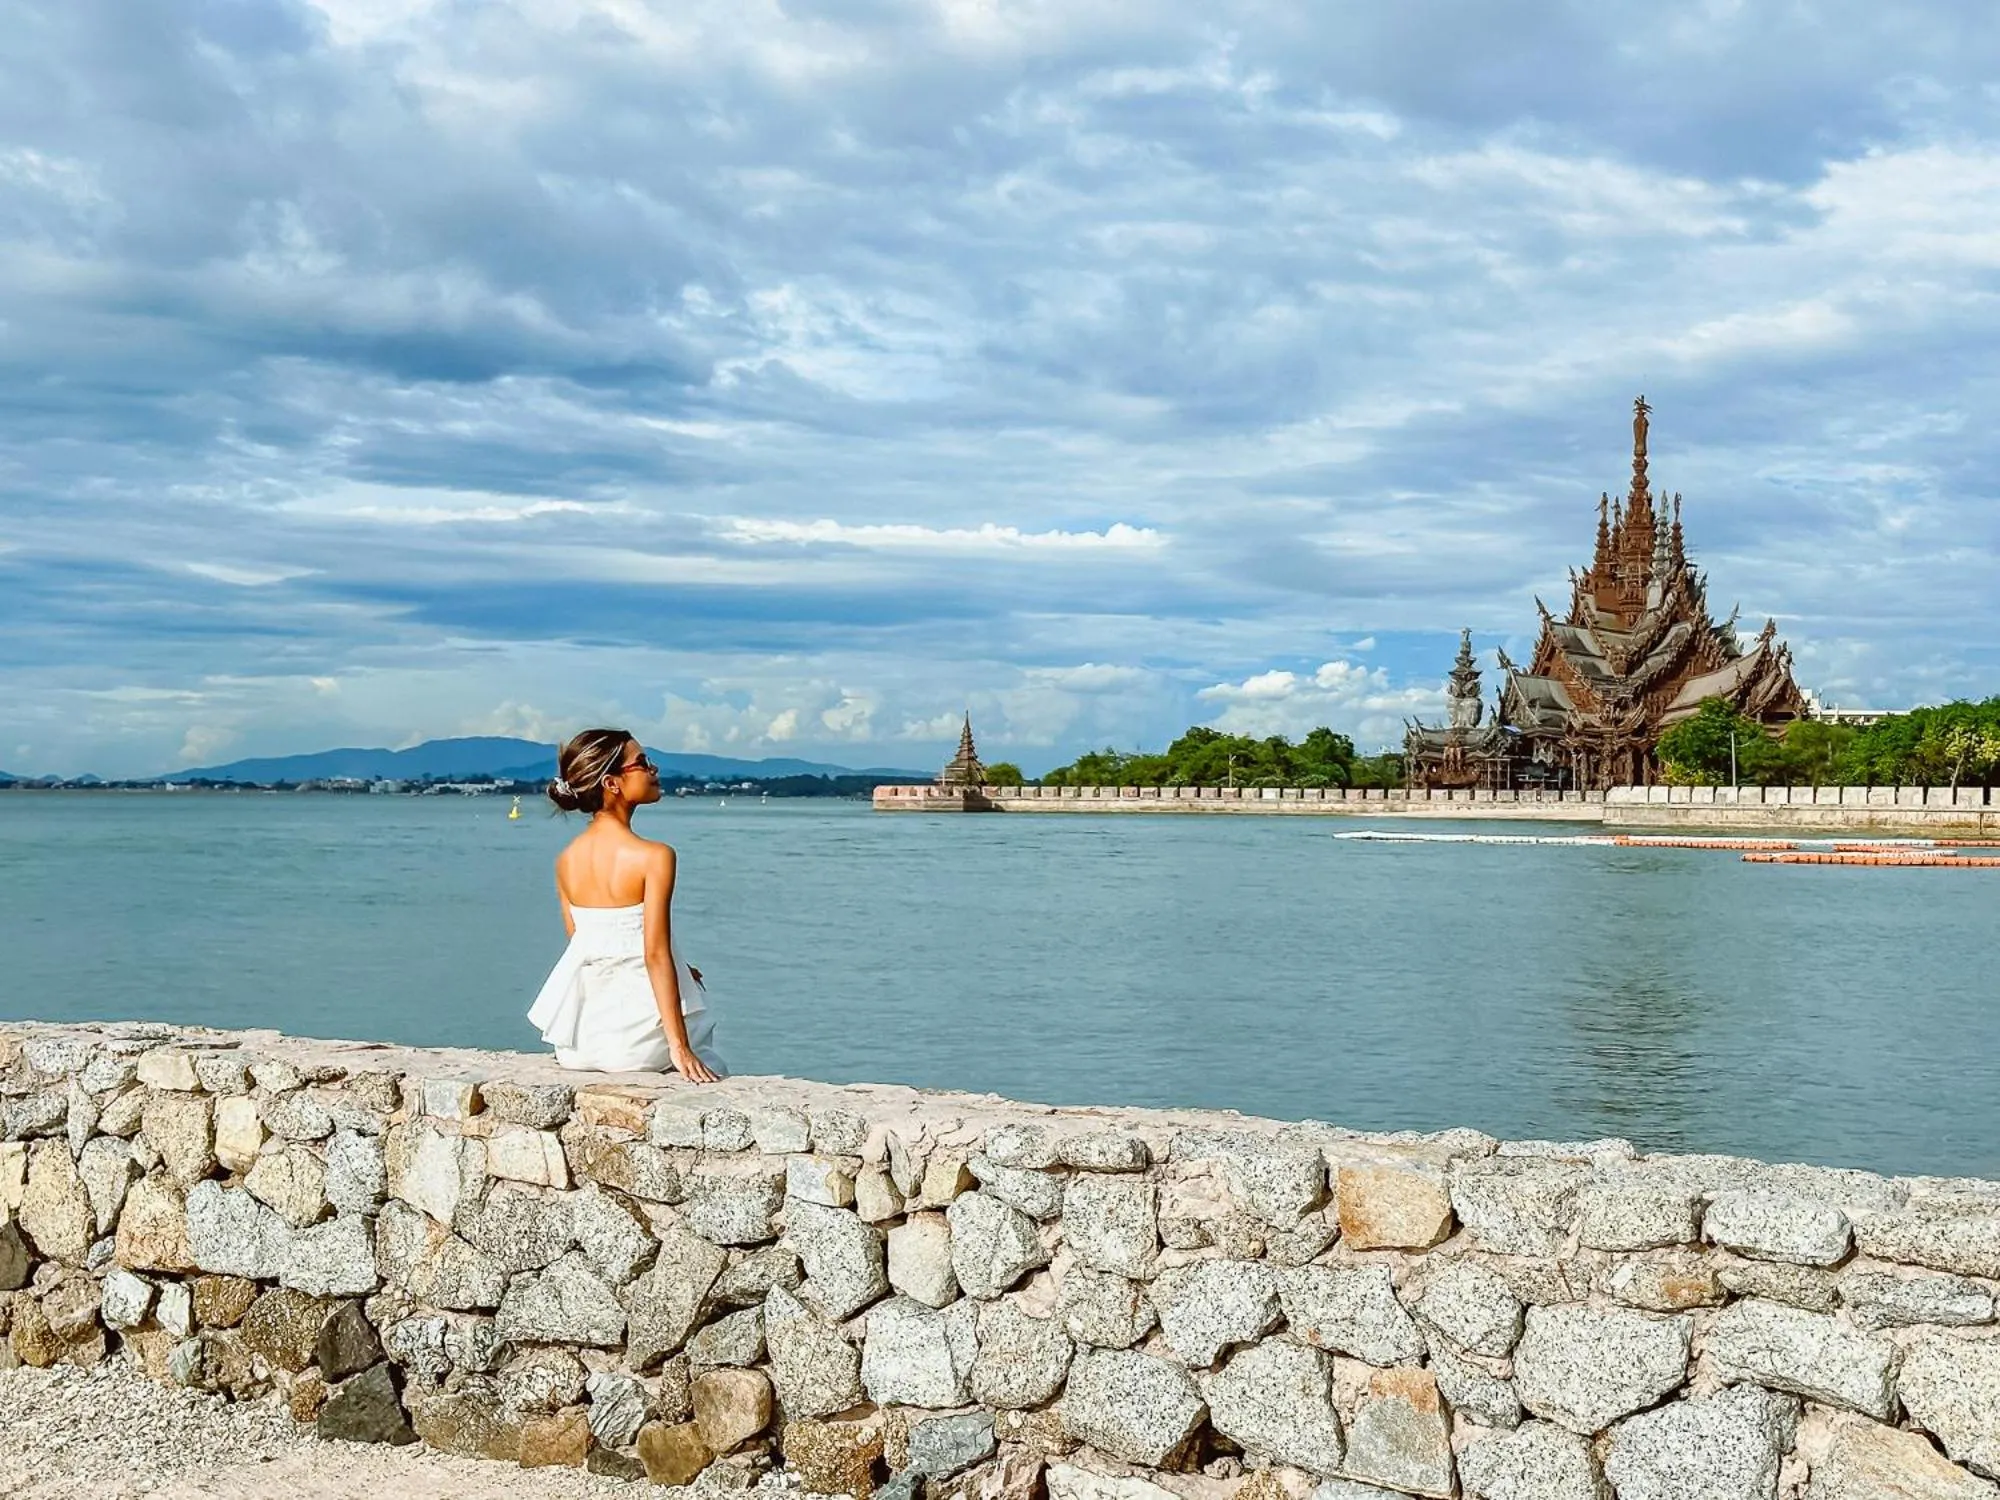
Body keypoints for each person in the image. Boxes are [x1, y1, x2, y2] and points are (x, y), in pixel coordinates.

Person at [526, 728, 724, 1080]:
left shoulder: (566, 860)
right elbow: (654, 954)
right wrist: (679, 1046)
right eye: (642, 763)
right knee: (710, 1062)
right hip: (637, 1045)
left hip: (579, 1042)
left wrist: (681, 968)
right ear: (612, 783)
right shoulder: (655, 856)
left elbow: (584, 947)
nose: (654, 770)